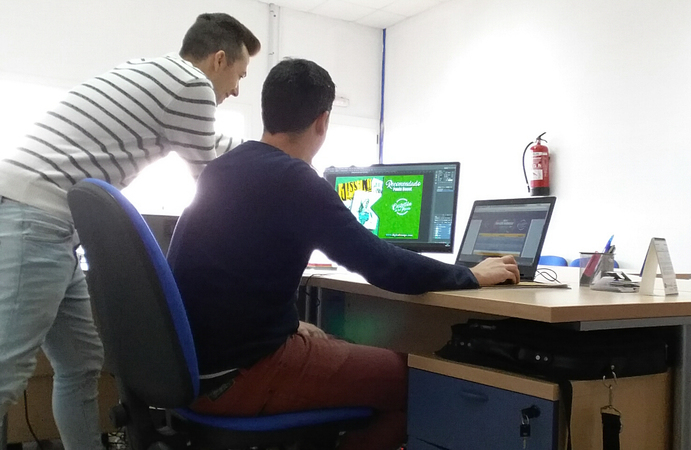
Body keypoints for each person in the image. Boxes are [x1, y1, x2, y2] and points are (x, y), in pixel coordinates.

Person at [166, 58, 520, 450]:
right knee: (418, 381)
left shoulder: (221, 169)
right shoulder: (295, 180)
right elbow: (383, 265)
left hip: (191, 373)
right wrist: (470, 275)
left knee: (334, 343)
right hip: (240, 377)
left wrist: (287, 324)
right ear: (323, 121)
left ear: (267, 111)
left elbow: (227, 278)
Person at [0, 13, 260, 449]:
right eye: (240, 75)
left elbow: (212, 146)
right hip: (37, 218)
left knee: (81, 363)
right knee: (6, 372)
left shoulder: (152, 70)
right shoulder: (193, 86)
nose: (236, 90)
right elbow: (212, 177)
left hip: (47, 219)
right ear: (219, 60)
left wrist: (265, 150)